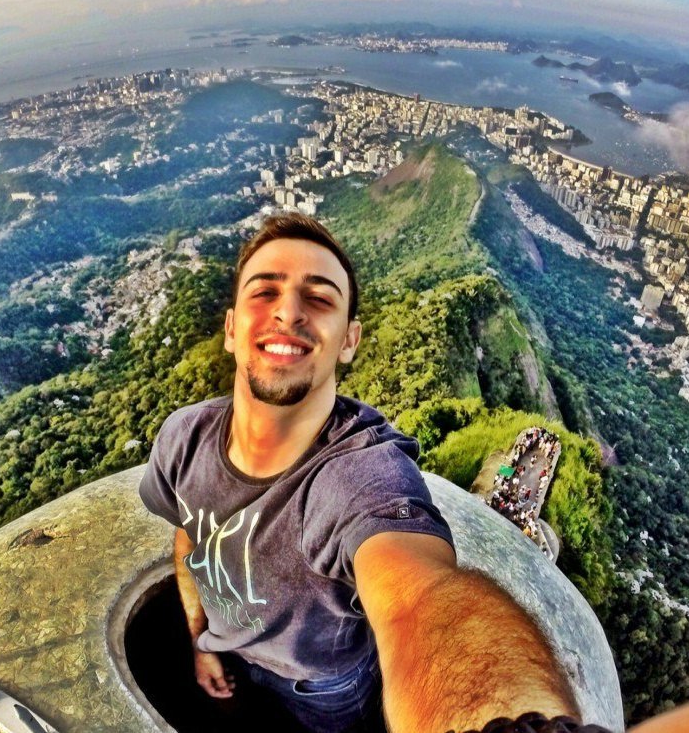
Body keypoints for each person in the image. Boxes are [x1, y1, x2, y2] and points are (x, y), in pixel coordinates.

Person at [139, 213, 578, 733]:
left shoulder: (359, 475)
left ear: (349, 340)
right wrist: (199, 641)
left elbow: (422, 600)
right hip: (229, 656)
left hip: (323, 690)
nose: (288, 311)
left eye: (319, 297)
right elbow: (190, 539)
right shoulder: (182, 438)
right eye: (264, 292)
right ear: (232, 328)